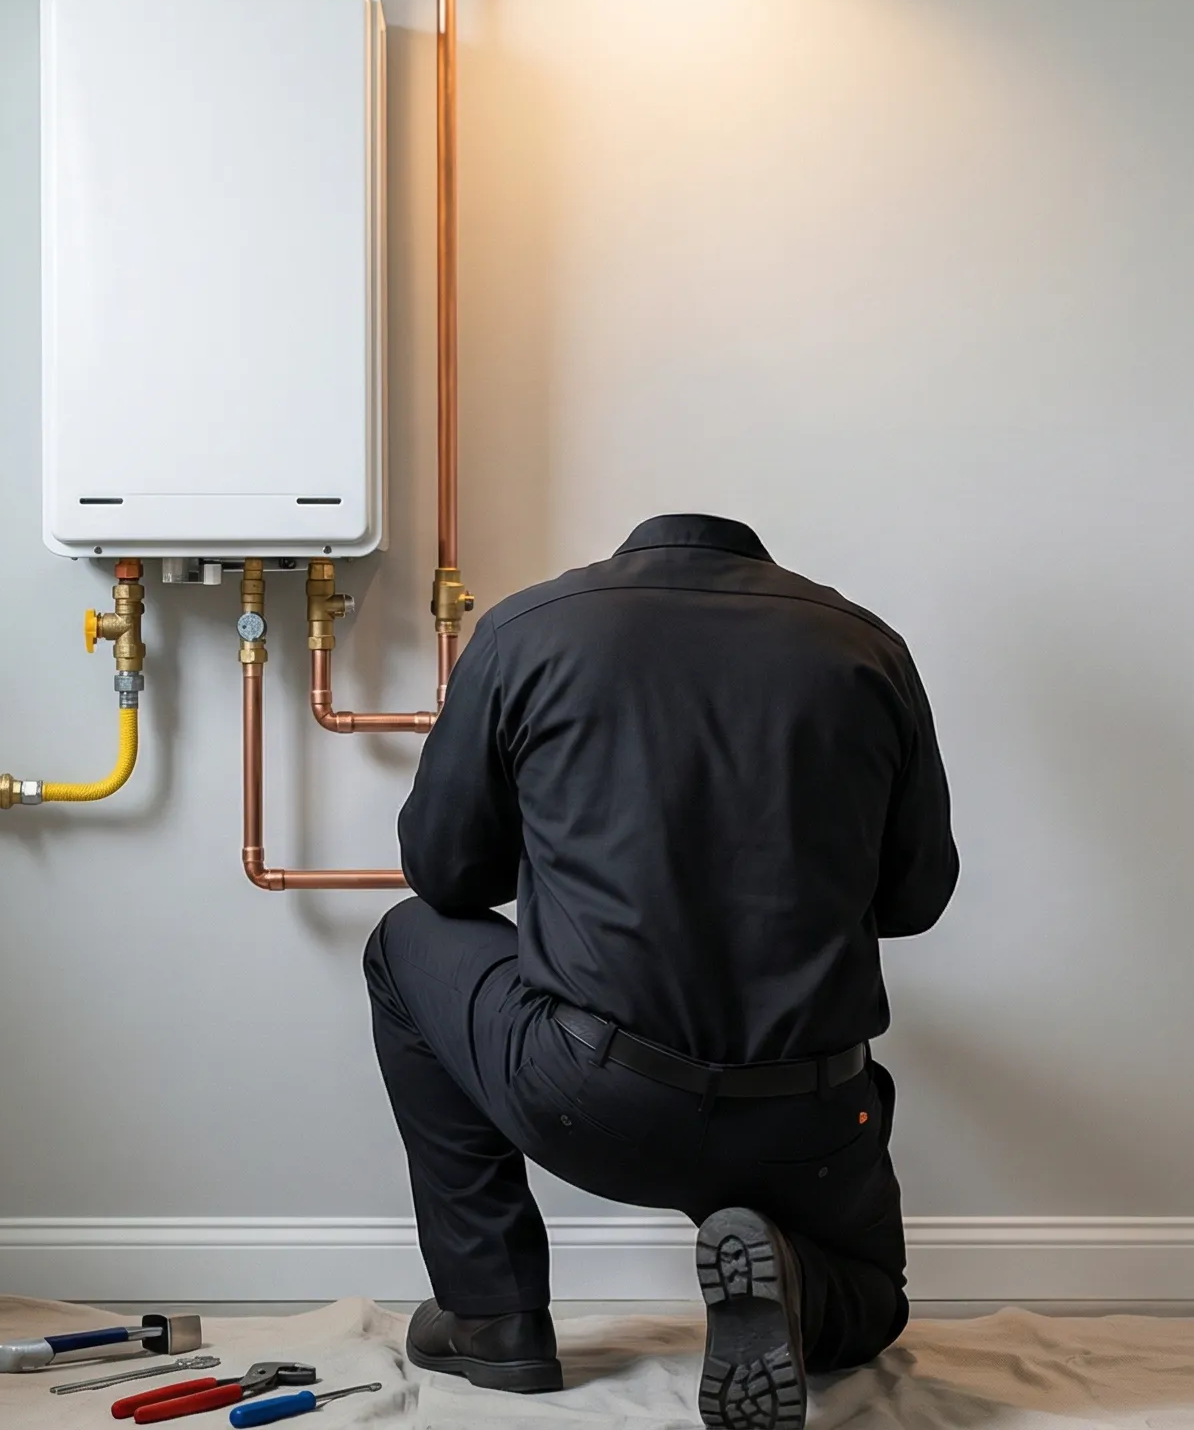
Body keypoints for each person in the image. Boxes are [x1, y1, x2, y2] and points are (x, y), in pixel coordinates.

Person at [364, 513, 958, 1430]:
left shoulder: (527, 632)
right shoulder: (866, 647)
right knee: (872, 1299)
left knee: (406, 942)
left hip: (596, 1095)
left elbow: (446, 877)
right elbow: (917, 901)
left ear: (631, 554)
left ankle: (495, 1315)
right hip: (811, 1113)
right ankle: (793, 1282)